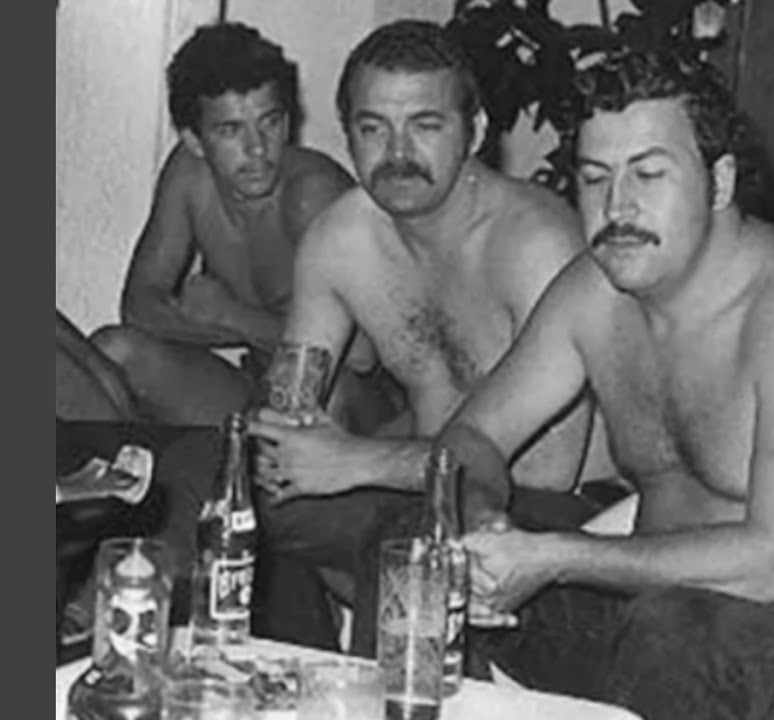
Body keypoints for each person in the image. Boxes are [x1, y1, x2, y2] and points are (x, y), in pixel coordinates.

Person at [431, 48, 774, 719]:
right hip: (653, 613)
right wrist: (481, 524)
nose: (617, 206)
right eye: (594, 178)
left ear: (720, 181)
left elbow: (771, 560)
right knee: (418, 557)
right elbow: (469, 438)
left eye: (649, 174)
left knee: (671, 631)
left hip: (763, 629)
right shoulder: (595, 293)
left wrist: (559, 556)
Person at [245, 20, 611, 654]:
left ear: (476, 130)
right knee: (242, 501)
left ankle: (379, 686)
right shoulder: (338, 242)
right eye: (372, 128)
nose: (397, 152)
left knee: (407, 540)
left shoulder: (536, 245)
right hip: (416, 484)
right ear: (347, 134)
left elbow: (546, 473)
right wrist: (297, 457)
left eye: (426, 125)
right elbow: (286, 431)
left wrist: (357, 461)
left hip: (551, 511)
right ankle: (283, 682)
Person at [90, 23, 399, 431]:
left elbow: (359, 354)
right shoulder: (189, 177)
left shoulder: (312, 195)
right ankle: (132, 468)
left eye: (270, 122)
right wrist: (245, 329)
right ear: (194, 141)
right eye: (231, 130)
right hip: (259, 385)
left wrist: (232, 316)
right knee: (114, 349)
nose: (257, 149)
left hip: (355, 401)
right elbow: (139, 308)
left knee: (323, 392)